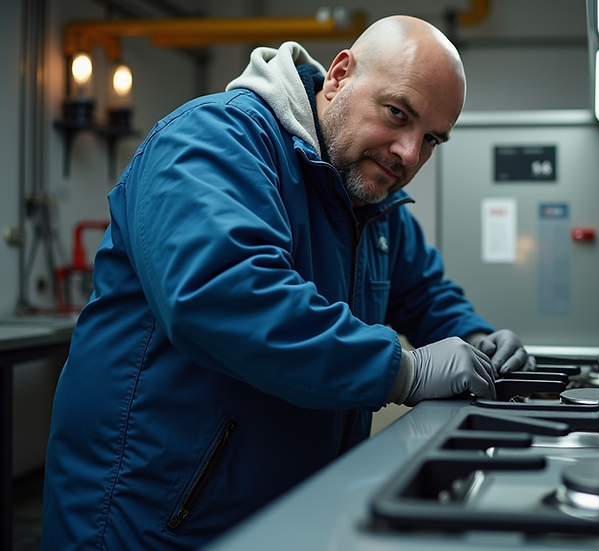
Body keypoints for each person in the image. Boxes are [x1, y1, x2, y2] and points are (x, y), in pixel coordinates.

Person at [41, 15, 533, 551]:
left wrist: (479, 342)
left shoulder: (373, 201)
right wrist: (405, 372)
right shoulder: (215, 140)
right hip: (153, 518)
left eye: (431, 138)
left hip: (287, 512)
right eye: (397, 114)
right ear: (340, 75)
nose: (409, 153)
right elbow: (222, 296)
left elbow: (425, 294)